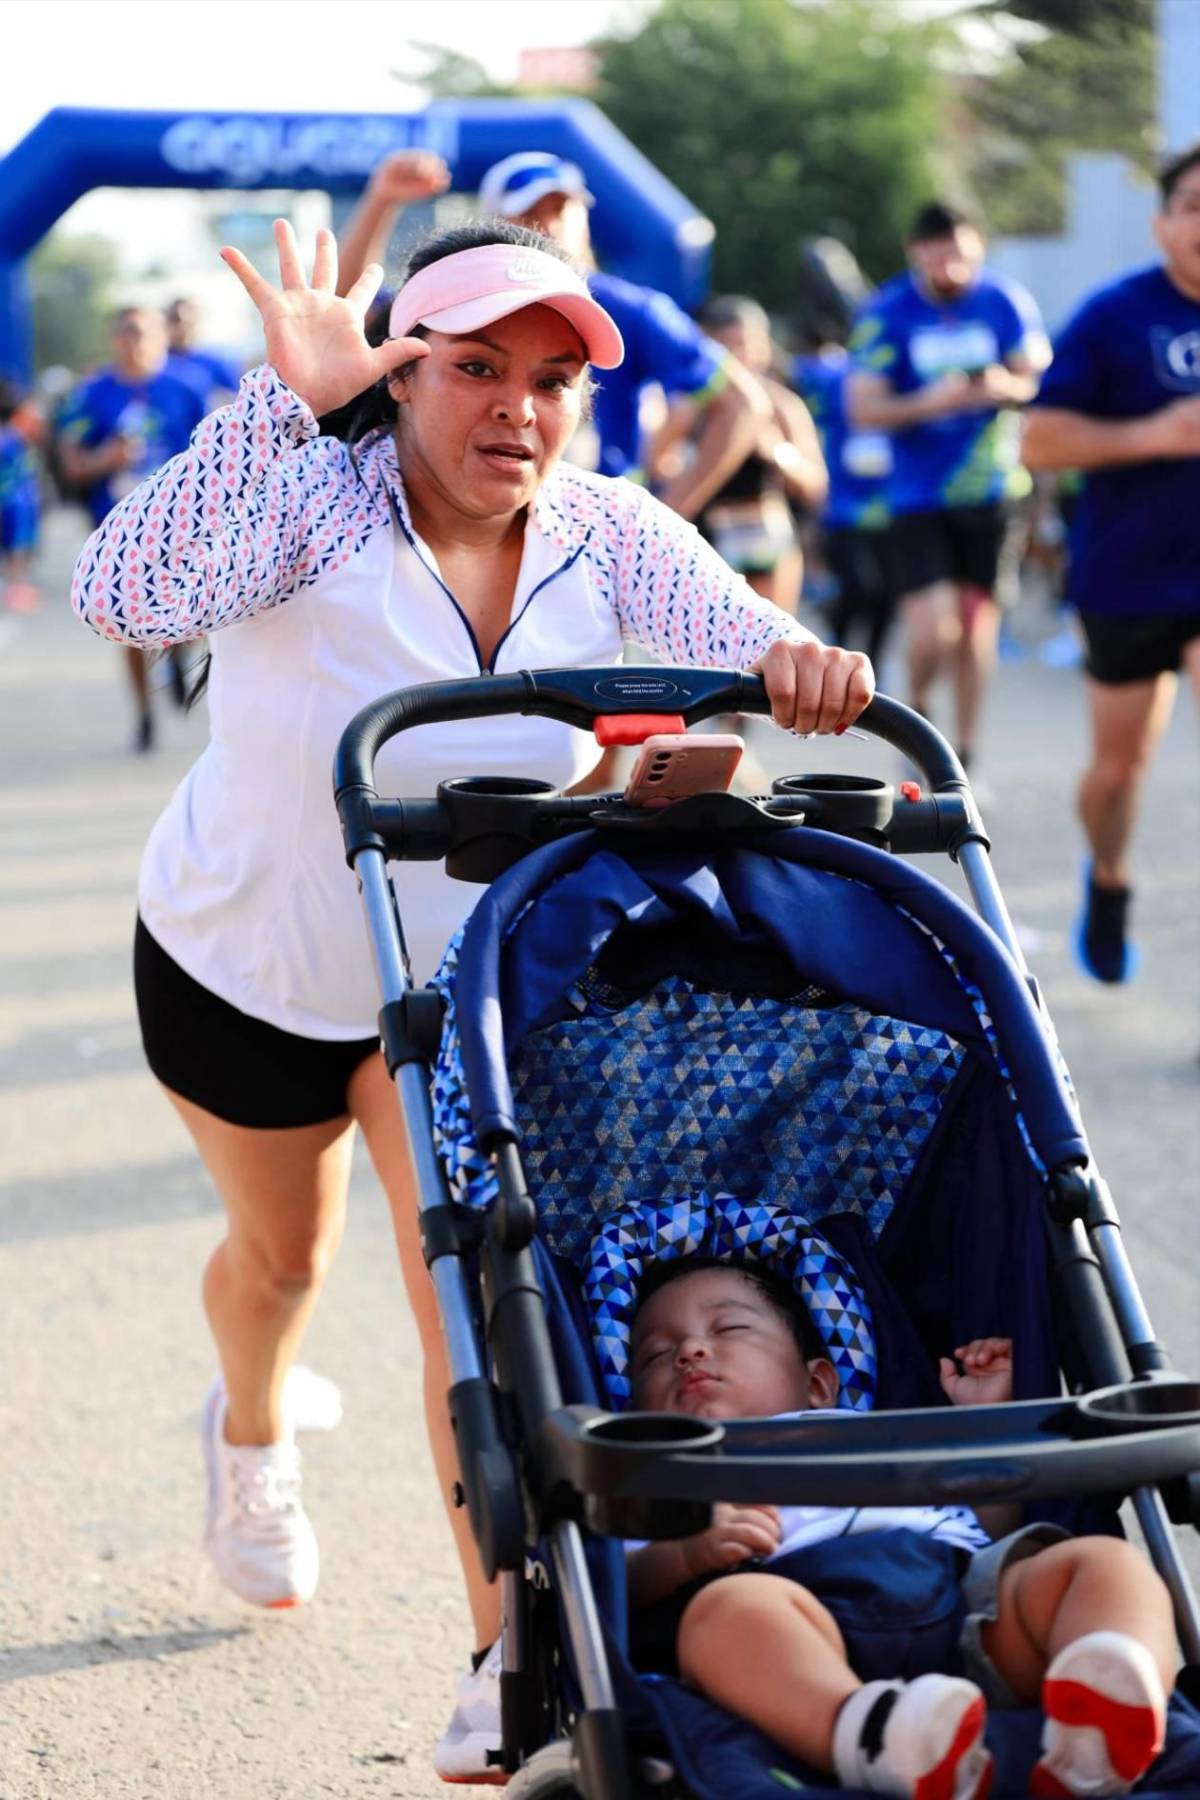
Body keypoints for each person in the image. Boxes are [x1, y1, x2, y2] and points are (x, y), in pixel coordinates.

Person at [70, 218, 873, 1774]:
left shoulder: (608, 529)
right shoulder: (312, 495)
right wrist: (278, 407)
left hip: (450, 978)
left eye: (553, 379)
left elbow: (747, 641)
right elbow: (122, 595)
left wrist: (804, 667)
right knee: (279, 1259)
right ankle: (250, 1433)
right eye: (478, 369)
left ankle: (507, 1657)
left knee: (475, 1304)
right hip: (248, 958)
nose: (518, 406)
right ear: (403, 370)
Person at [626, 1259, 1176, 1798]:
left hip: (963, 1603)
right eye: (654, 1354)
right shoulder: (661, 1481)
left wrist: (979, 1427)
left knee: (1102, 1564)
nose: (689, 1352)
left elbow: (979, 1527)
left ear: (817, 1384)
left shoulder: (878, 1432)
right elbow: (619, 1585)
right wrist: (681, 1555)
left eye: (729, 1328)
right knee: (724, 1616)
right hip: (800, 1621)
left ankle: (1111, 1697)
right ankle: (875, 1736)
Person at [336, 148, 766, 523]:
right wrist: (382, 200)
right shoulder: (455, 296)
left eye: (556, 380)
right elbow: (351, 307)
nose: (550, 225)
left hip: (590, 547)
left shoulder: (635, 311)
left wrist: (664, 518)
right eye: (478, 367)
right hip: (476, 531)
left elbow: (743, 405)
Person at [1021, 142, 1200, 985]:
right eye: (1194, 206)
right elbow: (1039, 439)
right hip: (1128, 576)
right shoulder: (1113, 316)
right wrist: (1154, 434)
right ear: (1164, 223)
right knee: (1118, 772)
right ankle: (1108, 874)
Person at [848, 203, 1049, 770]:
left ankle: (963, 749)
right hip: (916, 495)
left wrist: (1001, 386)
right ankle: (917, 712)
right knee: (933, 628)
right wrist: (930, 401)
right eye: (939, 251)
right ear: (917, 251)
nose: (952, 264)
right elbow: (863, 408)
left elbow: (1038, 378)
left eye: (962, 251)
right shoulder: (887, 310)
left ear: (978, 248)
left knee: (975, 628)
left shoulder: (1003, 300)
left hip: (990, 490)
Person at [56, 306, 207, 749]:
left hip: (182, 525)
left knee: (192, 615)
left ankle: (179, 654)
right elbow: (71, 464)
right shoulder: (91, 394)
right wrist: (105, 460)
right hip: (118, 531)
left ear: (161, 336)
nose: (134, 341)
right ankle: (144, 715)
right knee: (128, 628)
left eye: (142, 332)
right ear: (112, 339)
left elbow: (215, 455)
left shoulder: (187, 388)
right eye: (125, 332)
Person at [647, 295, 827, 615]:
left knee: (771, 643)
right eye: (727, 348)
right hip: (707, 538)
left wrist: (777, 453)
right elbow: (654, 467)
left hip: (767, 535)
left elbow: (816, 485)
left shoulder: (782, 406)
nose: (739, 357)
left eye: (746, 344)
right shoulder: (691, 409)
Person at [794, 323, 895, 667]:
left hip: (894, 508)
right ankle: (835, 650)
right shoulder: (833, 374)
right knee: (858, 588)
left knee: (887, 597)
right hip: (842, 508)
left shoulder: (902, 372)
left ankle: (874, 667)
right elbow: (790, 368)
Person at [0, 377, 42, 612]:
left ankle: (16, 588)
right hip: (15, 502)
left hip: (17, 499)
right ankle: (16, 589)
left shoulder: (14, 437)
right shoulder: (12, 439)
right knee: (17, 548)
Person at [165, 296, 242, 411]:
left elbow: (237, 402)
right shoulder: (156, 364)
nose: (182, 327)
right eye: (176, 320)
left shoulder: (216, 364)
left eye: (189, 322)